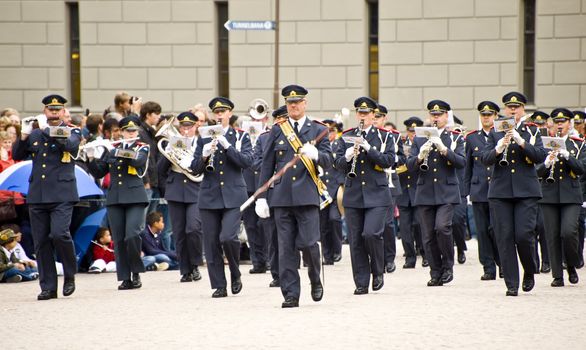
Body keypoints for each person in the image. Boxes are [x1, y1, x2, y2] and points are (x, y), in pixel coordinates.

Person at [256, 85, 329, 308]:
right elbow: (267, 164)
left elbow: (330, 161)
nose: (293, 106)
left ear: (305, 103)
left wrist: (316, 154)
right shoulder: (278, 129)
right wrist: (261, 195)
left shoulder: (318, 129)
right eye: (289, 103)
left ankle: (315, 279)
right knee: (285, 248)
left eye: (297, 102)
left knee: (308, 244)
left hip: (307, 196)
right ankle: (291, 294)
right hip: (281, 197)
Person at [12, 94, 81, 300]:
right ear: (44, 111)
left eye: (57, 109)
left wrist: (46, 130)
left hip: (62, 193)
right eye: (50, 109)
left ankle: (69, 274)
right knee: (41, 242)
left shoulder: (72, 131)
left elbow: (68, 146)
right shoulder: (35, 134)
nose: (53, 112)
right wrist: (23, 135)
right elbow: (17, 155)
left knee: (60, 234)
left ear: (63, 112)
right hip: (38, 193)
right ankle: (48, 287)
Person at [481, 91, 547, 296]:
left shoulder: (533, 130)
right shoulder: (495, 131)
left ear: (523, 109)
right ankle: (511, 283)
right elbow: (485, 158)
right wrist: (499, 147)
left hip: (526, 191)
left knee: (524, 235)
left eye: (516, 107)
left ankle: (529, 269)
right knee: (504, 237)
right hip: (500, 191)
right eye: (509, 107)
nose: (512, 110)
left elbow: (540, 157)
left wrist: (520, 141)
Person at [188, 97, 253, 298]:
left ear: (229, 114)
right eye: (216, 112)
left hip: (233, 195)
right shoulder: (203, 137)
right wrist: (204, 156)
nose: (219, 115)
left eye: (223, 112)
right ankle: (219, 285)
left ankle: (234, 272)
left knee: (228, 237)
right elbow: (195, 169)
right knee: (211, 242)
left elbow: (247, 161)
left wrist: (227, 147)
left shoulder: (240, 136)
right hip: (209, 195)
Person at [334, 97, 395, 294]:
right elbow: (338, 165)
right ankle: (361, 282)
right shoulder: (347, 136)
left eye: (366, 113)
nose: (362, 116)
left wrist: (369, 148)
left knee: (371, 234)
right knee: (356, 240)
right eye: (359, 113)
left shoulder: (385, 136)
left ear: (373, 115)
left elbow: (388, 161)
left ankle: (378, 271)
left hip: (377, 193)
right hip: (353, 194)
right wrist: (348, 155)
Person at [407, 100, 465, 287]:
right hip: (425, 192)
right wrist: (419, 156)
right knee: (428, 236)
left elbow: (462, 162)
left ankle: (448, 267)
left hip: (446, 191)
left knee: (442, 227)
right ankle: (435, 271)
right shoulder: (419, 138)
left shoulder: (455, 138)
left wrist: (444, 149)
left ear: (446, 116)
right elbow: (409, 167)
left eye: (439, 115)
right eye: (433, 115)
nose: (436, 118)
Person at [87, 116, 150, 290]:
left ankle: (136, 272)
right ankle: (125, 277)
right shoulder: (112, 148)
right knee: (119, 239)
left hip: (135, 197)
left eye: (134, 130)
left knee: (132, 234)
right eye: (128, 130)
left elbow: (137, 161)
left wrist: (113, 151)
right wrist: (91, 157)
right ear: (121, 132)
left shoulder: (142, 147)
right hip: (115, 198)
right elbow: (100, 172)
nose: (131, 133)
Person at [536, 108, 584, 287]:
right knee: (552, 235)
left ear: (569, 124)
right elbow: (536, 172)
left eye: (563, 122)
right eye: (556, 122)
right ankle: (557, 275)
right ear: (552, 125)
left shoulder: (578, 145)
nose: (559, 125)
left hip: (571, 195)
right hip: (548, 194)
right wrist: (547, 162)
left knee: (569, 231)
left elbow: (581, 169)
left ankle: (571, 264)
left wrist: (567, 156)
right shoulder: (543, 145)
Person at [157, 111, 204, 282]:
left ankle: (196, 264)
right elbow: (160, 170)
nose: (185, 131)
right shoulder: (173, 142)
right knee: (179, 232)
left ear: (195, 127)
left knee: (193, 228)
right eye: (183, 127)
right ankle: (185, 270)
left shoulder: (201, 143)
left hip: (195, 189)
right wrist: (168, 153)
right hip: (175, 190)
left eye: (189, 127)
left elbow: (203, 167)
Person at [464, 101, 501, 280]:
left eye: (489, 115)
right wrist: (465, 192)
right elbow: (468, 167)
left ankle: (502, 263)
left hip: (498, 190)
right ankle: (488, 267)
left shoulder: (502, 135)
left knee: (497, 229)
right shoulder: (472, 138)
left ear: (495, 116)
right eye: (483, 115)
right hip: (479, 190)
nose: (486, 118)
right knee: (482, 232)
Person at [254, 105, 289, 288]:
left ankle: (291, 268)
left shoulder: (297, 137)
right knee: (273, 235)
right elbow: (258, 161)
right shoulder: (264, 138)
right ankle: (277, 273)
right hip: (274, 190)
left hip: (292, 190)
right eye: (279, 119)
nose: (282, 122)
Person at [373, 104, 404, 273]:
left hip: (389, 182)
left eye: (378, 117)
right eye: (374, 116)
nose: (375, 119)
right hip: (372, 183)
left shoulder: (394, 137)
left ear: (384, 119)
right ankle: (377, 256)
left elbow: (402, 159)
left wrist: (393, 159)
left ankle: (389, 257)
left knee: (387, 223)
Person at [397, 117, 426, 268]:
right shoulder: (400, 145)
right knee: (405, 228)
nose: (413, 134)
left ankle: (425, 253)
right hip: (403, 191)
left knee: (419, 225)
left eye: (415, 131)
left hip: (418, 190)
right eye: (410, 131)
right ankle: (410, 257)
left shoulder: (425, 144)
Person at [319, 119, 345, 265]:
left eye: (331, 131)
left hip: (335, 188)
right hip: (322, 189)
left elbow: (342, 165)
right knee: (323, 224)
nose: (329, 134)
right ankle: (327, 255)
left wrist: (342, 184)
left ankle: (337, 249)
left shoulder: (338, 144)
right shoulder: (320, 146)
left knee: (334, 219)